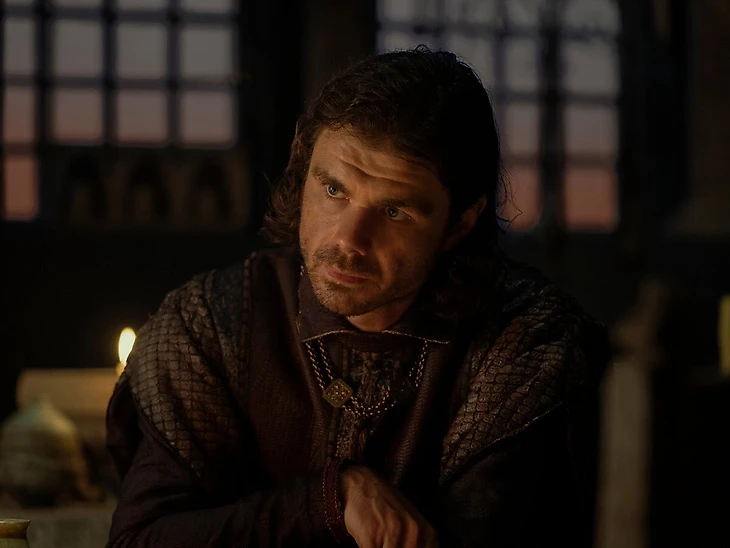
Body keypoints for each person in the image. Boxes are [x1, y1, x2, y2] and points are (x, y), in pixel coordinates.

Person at [106, 46, 609, 547]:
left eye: (394, 212)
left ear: (459, 223)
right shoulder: (211, 322)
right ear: (305, 170)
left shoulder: (522, 338)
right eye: (334, 191)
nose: (349, 241)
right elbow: (139, 539)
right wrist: (328, 502)